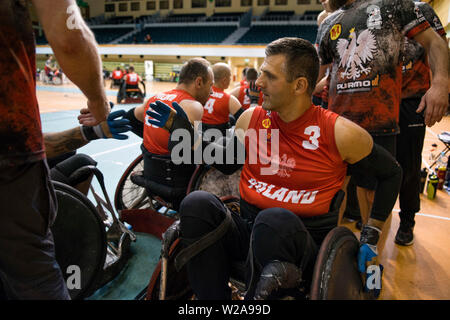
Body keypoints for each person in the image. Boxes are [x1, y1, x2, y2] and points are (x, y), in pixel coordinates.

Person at [146, 38, 402, 299]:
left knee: (272, 220)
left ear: (299, 85)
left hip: (299, 241)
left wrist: (371, 234)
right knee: (196, 203)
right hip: (247, 227)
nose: (258, 83)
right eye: (260, 74)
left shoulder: (339, 133)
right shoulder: (253, 119)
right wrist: (187, 135)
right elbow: (227, 162)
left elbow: (392, 173)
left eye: (269, 76)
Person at [0, 0, 110, 299]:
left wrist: (92, 131)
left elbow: (41, 144)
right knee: (35, 276)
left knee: (76, 158)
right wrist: (99, 103)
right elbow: (69, 37)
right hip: (10, 166)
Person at [315, 0, 448, 228]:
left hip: (392, 110)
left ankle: (396, 230)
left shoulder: (400, 6)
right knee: (340, 186)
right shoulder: (329, 23)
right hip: (345, 117)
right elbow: (324, 72)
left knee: (391, 179)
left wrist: (441, 83)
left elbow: (436, 43)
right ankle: (338, 243)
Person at [124, 57, 213, 210]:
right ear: (199, 82)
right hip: (178, 185)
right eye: (210, 85)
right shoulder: (193, 106)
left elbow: (130, 119)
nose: (211, 91)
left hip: (151, 178)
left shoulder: (153, 99)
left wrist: (152, 137)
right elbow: (192, 152)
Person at [394, 2, 448, 246]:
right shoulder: (369, 12)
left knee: (409, 165)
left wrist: (441, 85)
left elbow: (438, 46)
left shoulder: (420, 9)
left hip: (411, 99)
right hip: (378, 101)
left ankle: (407, 221)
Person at [201, 63, 245, 138]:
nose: (230, 79)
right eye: (230, 77)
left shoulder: (200, 94)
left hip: (201, 136)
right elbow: (245, 120)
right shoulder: (229, 99)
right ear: (224, 80)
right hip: (220, 139)